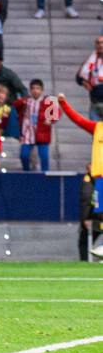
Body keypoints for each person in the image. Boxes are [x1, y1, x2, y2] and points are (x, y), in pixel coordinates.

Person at [57, 93, 103, 258]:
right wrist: (63, 104)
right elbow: (77, 120)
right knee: (100, 213)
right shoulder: (97, 128)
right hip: (100, 178)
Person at [15, 79, 54, 171]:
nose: (35, 91)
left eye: (38, 88)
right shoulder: (25, 101)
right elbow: (15, 107)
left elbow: (57, 112)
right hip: (28, 133)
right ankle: (27, 173)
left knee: (44, 157)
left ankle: (45, 176)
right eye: (33, 88)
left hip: (42, 133)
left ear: (42, 90)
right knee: (24, 155)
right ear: (30, 90)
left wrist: (50, 119)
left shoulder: (49, 100)